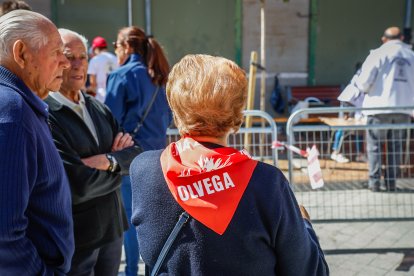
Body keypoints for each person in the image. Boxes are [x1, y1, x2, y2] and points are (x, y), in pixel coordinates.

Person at [130, 54, 329, 275]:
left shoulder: (143, 169)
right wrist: (305, 225)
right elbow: (309, 271)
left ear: (175, 109)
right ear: (238, 114)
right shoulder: (266, 183)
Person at [44, 28, 142, 275]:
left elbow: (135, 155)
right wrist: (117, 169)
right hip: (78, 237)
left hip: (112, 230)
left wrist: (108, 161)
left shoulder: (98, 108)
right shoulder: (47, 114)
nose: (77, 65)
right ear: (56, 60)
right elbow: (78, 185)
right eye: (69, 57)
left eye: (82, 57)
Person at [0, 10, 74, 275]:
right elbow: (4, 234)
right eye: (57, 51)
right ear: (21, 53)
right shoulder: (11, 112)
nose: (66, 63)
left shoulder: (18, 106)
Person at [105, 26, 172, 276]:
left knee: (132, 222)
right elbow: (168, 118)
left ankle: (132, 272)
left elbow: (109, 121)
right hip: (160, 156)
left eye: (116, 46)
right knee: (156, 219)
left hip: (130, 158)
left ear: (125, 47)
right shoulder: (160, 76)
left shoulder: (121, 75)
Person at [355, 26, 414, 192]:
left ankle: (374, 183)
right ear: (401, 37)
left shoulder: (377, 54)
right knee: (396, 148)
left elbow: (364, 83)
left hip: (378, 108)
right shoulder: (411, 56)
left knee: (374, 147)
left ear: (384, 39)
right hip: (403, 109)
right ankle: (391, 183)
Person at [87, 36, 118, 102]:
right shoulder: (115, 59)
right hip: (116, 96)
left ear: (95, 48)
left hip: (101, 97)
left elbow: (93, 83)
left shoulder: (95, 60)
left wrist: (85, 90)